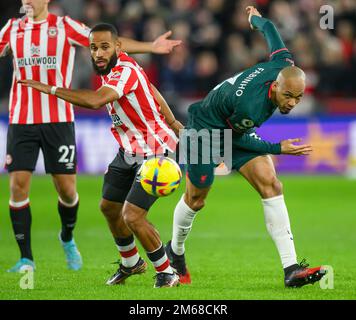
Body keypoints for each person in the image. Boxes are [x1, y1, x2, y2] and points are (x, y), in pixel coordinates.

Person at [0, 0, 181, 273]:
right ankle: (30, 258)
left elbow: (101, 72)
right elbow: (111, 50)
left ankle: (162, 270)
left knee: (91, 199)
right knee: (102, 205)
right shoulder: (11, 29)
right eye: (93, 48)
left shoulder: (65, 27)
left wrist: (149, 47)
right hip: (27, 120)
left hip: (79, 126)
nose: (96, 51)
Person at [164, 6, 326, 288]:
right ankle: (175, 252)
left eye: (298, 98)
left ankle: (291, 268)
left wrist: (255, 19)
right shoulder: (251, 104)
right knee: (197, 198)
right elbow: (236, 139)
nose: (291, 103)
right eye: (288, 96)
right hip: (204, 126)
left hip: (233, 126)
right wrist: (277, 148)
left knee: (271, 184)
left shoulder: (284, 64)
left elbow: (272, 32)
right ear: (275, 87)